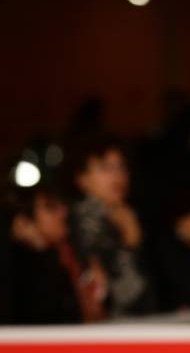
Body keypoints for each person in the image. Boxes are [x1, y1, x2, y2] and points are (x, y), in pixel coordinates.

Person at [68, 135, 155, 317]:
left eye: (121, 167)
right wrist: (130, 243)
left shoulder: (129, 213)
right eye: (105, 168)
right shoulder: (78, 221)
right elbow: (112, 292)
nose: (117, 176)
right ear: (81, 178)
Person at [4, 184, 104, 323]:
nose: (63, 212)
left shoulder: (69, 253)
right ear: (23, 222)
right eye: (51, 207)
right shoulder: (15, 265)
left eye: (62, 205)